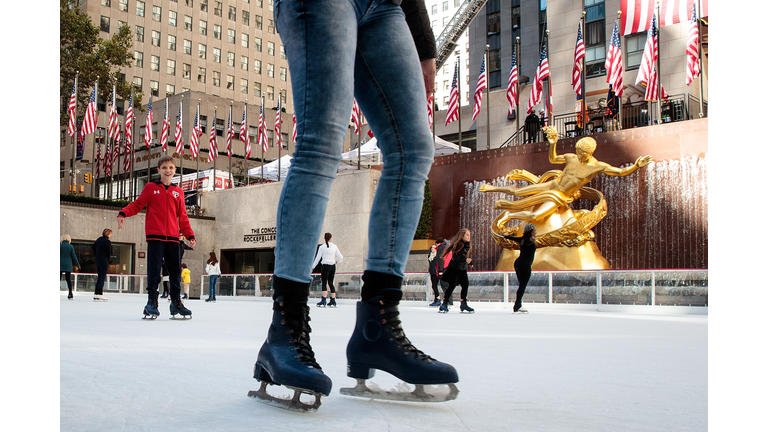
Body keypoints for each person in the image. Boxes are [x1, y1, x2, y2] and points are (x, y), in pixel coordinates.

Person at [249, 0, 458, 412]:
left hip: (385, 7)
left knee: (414, 149)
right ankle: (284, 331)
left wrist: (424, 44)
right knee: (321, 141)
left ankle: (378, 327)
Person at [479, 126, 652, 224]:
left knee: (535, 216)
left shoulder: (597, 167)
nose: (578, 154)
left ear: (590, 152)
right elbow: (553, 158)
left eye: (581, 152)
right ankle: (492, 188)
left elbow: (620, 172)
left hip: (561, 196)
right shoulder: (571, 157)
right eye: (577, 150)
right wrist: (552, 144)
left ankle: (510, 214)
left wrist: (636, 166)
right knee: (518, 192)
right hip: (553, 185)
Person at [117, 156, 196, 320]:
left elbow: (182, 216)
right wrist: (124, 212)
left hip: (174, 238)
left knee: (175, 272)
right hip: (155, 236)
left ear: (175, 170)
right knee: (154, 270)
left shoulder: (178, 192)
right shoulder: (150, 187)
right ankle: (151, 302)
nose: (168, 170)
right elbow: (138, 204)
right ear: (158, 170)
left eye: (171, 168)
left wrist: (189, 234)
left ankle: (176, 302)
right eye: (165, 167)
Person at [437, 229, 474, 314]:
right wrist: (466, 260)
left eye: (469, 234)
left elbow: (463, 256)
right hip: (455, 268)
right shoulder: (459, 244)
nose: (469, 237)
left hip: (462, 268)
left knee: (465, 285)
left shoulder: (466, 244)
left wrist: (468, 261)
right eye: (467, 235)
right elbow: (456, 257)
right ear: (462, 236)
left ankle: (463, 303)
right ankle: (445, 303)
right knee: (452, 286)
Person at [504, 223, 537, 313]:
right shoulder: (528, 240)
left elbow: (513, 238)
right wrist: (531, 240)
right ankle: (517, 306)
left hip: (518, 263)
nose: (535, 231)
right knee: (522, 285)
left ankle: (518, 305)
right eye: (534, 230)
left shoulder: (521, 239)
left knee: (521, 285)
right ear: (531, 231)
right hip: (525, 265)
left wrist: (506, 236)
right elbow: (528, 241)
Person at [311, 233, 343, 308]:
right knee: (331, 282)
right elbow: (340, 257)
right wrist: (336, 261)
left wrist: (313, 266)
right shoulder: (334, 246)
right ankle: (333, 299)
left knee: (324, 283)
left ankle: (324, 299)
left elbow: (318, 258)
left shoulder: (322, 247)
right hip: (332, 266)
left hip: (325, 266)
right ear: (331, 238)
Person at [92, 229, 112, 302]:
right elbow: (109, 252)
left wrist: (98, 253)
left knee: (99, 277)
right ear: (108, 234)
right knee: (102, 277)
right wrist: (108, 259)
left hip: (97, 259)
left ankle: (96, 293)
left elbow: (93, 247)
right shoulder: (107, 241)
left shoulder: (99, 239)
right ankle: (100, 294)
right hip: (104, 260)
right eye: (110, 234)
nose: (111, 235)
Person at [427, 238, 447, 307]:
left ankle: (438, 299)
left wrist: (440, 271)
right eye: (432, 247)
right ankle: (436, 299)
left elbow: (440, 262)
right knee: (433, 285)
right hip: (432, 272)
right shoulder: (430, 255)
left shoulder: (437, 255)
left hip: (436, 272)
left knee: (434, 285)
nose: (433, 248)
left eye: (434, 247)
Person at [60, 235, 80, 300]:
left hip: (60, 263)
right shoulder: (71, 247)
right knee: (68, 279)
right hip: (68, 264)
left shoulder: (59, 246)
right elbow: (73, 256)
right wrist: (78, 264)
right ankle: (70, 293)